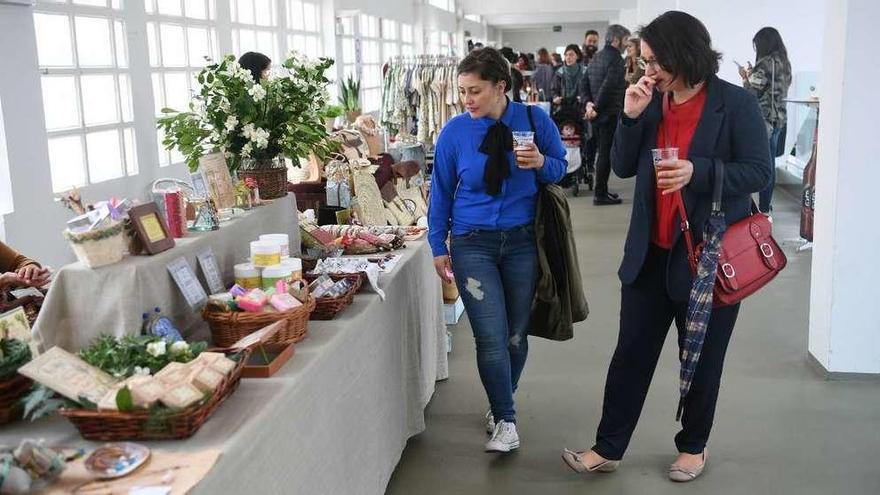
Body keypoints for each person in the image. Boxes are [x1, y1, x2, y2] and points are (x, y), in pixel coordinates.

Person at [561, 11, 770, 482]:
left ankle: (693, 447)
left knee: (701, 357)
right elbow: (622, 167)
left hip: (709, 258)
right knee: (630, 353)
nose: (648, 71)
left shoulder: (734, 104)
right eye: (644, 60)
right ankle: (607, 447)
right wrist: (631, 117)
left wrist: (700, 171)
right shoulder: (650, 101)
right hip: (650, 254)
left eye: (656, 61)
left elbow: (758, 171)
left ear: (686, 53)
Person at [429, 47, 567, 454]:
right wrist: (439, 244)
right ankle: (506, 420)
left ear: (500, 87)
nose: (466, 100)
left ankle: (500, 399)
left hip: (523, 241)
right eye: (462, 91)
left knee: (514, 337)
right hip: (472, 243)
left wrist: (541, 160)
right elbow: (439, 191)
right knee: (490, 337)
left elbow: (561, 168)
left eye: (474, 91)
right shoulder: (455, 132)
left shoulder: (534, 120)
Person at [740, 27, 792, 217]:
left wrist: (746, 78)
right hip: (779, 120)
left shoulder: (764, 63)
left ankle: (761, 210)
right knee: (770, 163)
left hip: (763, 120)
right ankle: (766, 206)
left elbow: (751, 93)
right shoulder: (785, 63)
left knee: (763, 165)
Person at [587, 24, 631, 205]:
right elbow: (609, 86)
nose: (627, 44)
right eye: (626, 40)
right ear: (616, 39)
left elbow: (585, 82)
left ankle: (602, 189)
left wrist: (589, 105)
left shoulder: (596, 57)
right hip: (608, 113)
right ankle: (600, 194)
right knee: (605, 153)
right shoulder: (616, 60)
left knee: (602, 152)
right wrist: (596, 106)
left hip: (596, 114)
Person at [552, 44, 591, 116]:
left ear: (578, 56)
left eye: (571, 55)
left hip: (580, 108)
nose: (568, 57)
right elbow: (554, 89)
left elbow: (589, 88)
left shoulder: (584, 71)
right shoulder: (559, 72)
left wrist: (584, 98)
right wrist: (555, 97)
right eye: (566, 55)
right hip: (563, 107)